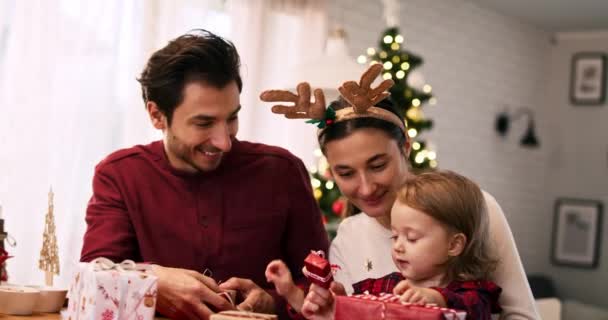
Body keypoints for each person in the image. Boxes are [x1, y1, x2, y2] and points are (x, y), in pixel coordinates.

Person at [80, 29, 329, 320]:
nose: (224, 141)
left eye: (232, 117)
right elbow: (93, 278)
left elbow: (321, 285)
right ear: (156, 115)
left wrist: (274, 301)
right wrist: (153, 281)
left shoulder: (282, 171)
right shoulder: (120, 175)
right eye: (204, 123)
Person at [261, 64, 540, 319]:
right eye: (346, 173)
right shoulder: (349, 236)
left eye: (378, 165)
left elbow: (521, 314)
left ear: (405, 146)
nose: (367, 187)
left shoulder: (474, 207)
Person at [266, 170, 502, 319]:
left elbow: (473, 309)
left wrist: (435, 298)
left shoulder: (475, 292)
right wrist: (294, 295)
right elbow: (340, 313)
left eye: (411, 238)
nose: (398, 246)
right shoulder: (383, 286)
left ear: (454, 245)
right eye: (395, 236)